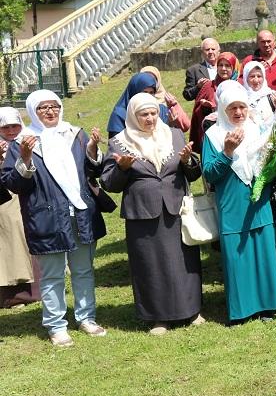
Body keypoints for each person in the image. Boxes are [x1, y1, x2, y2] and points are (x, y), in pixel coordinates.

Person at [1, 91, 107, 347]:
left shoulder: (75, 134)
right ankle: (56, 325)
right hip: (46, 216)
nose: (50, 111)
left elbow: (93, 171)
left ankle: (86, 317)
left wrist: (93, 150)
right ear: (32, 111)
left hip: (80, 212)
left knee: (83, 270)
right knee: (52, 275)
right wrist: (25, 158)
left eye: (54, 106)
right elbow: (11, 183)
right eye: (43, 108)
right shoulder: (23, 142)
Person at [100, 93, 204, 335]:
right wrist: (122, 169)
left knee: (184, 262)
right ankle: (158, 318)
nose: (150, 118)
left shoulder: (174, 135)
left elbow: (194, 173)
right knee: (151, 265)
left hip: (176, 208)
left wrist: (188, 162)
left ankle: (191, 310)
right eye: (144, 114)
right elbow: (109, 183)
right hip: (143, 215)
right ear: (133, 116)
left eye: (154, 113)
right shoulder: (118, 143)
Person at [202, 86, 276, 324]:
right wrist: (227, 152)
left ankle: (270, 304)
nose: (238, 112)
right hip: (232, 200)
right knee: (238, 253)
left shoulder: (258, 129)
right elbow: (209, 173)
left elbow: (266, 164)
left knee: (264, 249)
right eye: (232, 108)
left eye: (242, 107)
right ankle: (242, 309)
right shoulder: (213, 136)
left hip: (259, 199)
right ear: (223, 110)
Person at [0, 107, 40, 309]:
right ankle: (14, 294)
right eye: (5, 127)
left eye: (14, 125)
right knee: (13, 243)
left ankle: (37, 289)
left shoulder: (29, 139)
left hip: (29, 197)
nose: (10, 130)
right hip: (6, 202)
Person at [190, 52, 237, 156]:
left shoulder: (239, 86)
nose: (224, 69)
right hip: (212, 136)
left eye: (227, 65)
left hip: (234, 134)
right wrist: (207, 109)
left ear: (233, 67)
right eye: (220, 65)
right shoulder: (208, 86)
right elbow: (197, 114)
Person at [107, 73, 169, 138]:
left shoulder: (161, 110)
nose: (148, 96)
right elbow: (115, 145)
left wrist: (172, 121)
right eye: (144, 92)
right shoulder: (120, 115)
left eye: (151, 93)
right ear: (134, 92)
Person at [140, 66, 191, 132]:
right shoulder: (134, 102)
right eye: (145, 79)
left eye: (152, 79)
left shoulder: (166, 99)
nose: (149, 82)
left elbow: (185, 126)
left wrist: (174, 106)